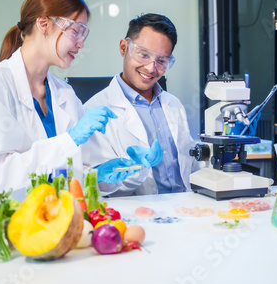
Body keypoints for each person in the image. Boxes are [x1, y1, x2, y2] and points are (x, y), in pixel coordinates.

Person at [0, 0, 138, 200]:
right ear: (43, 24)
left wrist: (99, 175)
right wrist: (69, 139)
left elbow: (72, 170)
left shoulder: (65, 95)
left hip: (48, 220)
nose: (81, 44)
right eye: (76, 31)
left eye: (84, 34)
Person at [84, 13, 201, 196]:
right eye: (143, 54)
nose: (151, 68)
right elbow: (98, 189)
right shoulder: (94, 111)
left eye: (162, 61)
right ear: (124, 47)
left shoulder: (174, 104)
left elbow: (190, 165)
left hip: (184, 208)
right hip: (138, 215)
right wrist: (133, 174)